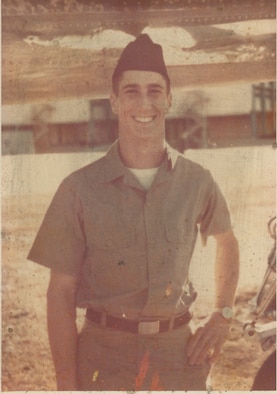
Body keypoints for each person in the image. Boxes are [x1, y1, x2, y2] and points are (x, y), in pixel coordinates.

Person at [28, 34, 239, 391]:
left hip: (179, 359)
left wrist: (223, 314)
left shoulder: (197, 180)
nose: (145, 102)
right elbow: (60, 293)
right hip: (104, 360)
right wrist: (67, 384)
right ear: (113, 100)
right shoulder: (78, 189)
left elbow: (228, 242)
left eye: (155, 91)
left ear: (169, 99)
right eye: (131, 91)